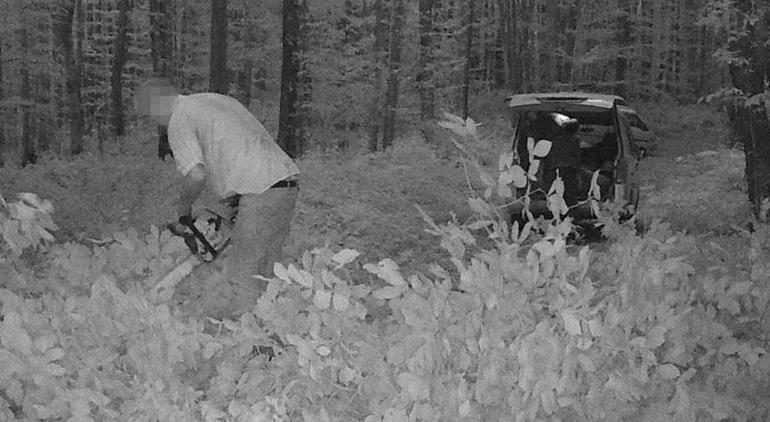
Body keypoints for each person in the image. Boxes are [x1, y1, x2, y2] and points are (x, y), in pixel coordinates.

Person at [133, 77, 300, 289]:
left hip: (258, 191)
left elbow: (196, 175)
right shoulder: (213, 100)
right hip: (285, 183)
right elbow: (236, 149)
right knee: (265, 278)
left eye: (150, 115)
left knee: (241, 282)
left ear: (156, 104)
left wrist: (183, 209)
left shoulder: (178, 118)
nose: (155, 122)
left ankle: (228, 321)